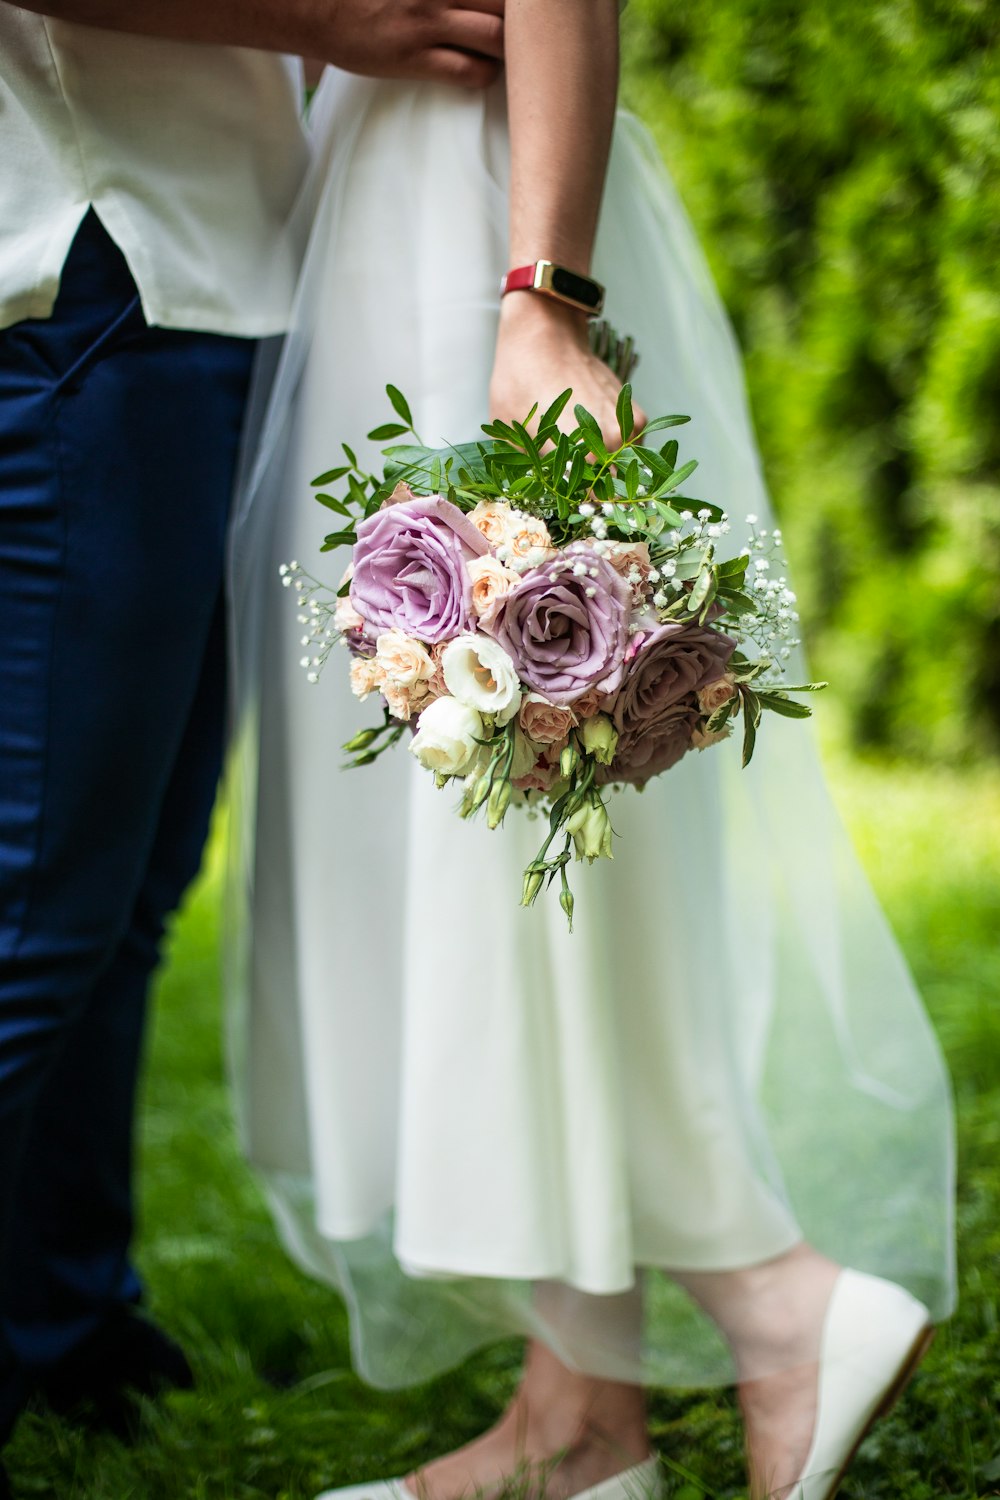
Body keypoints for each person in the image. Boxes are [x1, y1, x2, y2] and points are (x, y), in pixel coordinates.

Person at [229, 3, 955, 1497]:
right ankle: (577, 1426)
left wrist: (541, 294)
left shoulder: (506, 253)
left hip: (482, 214)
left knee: (511, 792)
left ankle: (781, 1303)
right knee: (506, 813)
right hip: (421, 191)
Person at [0, 1, 504, 1488]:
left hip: (217, 275)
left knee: (126, 895)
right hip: (95, 270)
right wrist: (338, 20)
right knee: (35, 905)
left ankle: (63, 1333)